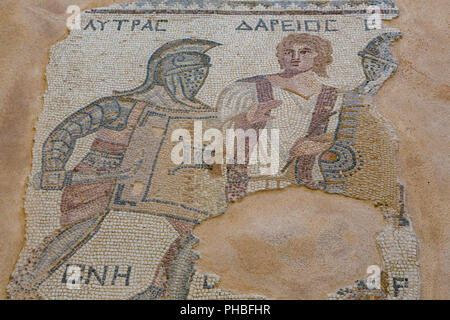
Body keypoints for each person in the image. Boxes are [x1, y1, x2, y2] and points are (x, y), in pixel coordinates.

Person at [10, 39, 226, 299]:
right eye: (189, 75)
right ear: (169, 75)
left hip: (160, 184)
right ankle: (22, 285)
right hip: (100, 176)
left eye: (201, 75)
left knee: (199, 233)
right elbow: (68, 131)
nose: (196, 82)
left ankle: (162, 292)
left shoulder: (198, 114)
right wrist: (54, 169)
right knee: (77, 231)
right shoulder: (121, 105)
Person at [217, 33, 343, 202]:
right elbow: (218, 133)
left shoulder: (335, 96)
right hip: (254, 181)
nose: (295, 57)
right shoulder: (248, 89)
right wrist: (245, 119)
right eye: (289, 52)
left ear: (319, 54)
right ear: (281, 55)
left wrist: (324, 144)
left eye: (305, 51)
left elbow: (343, 137)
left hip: (306, 183)